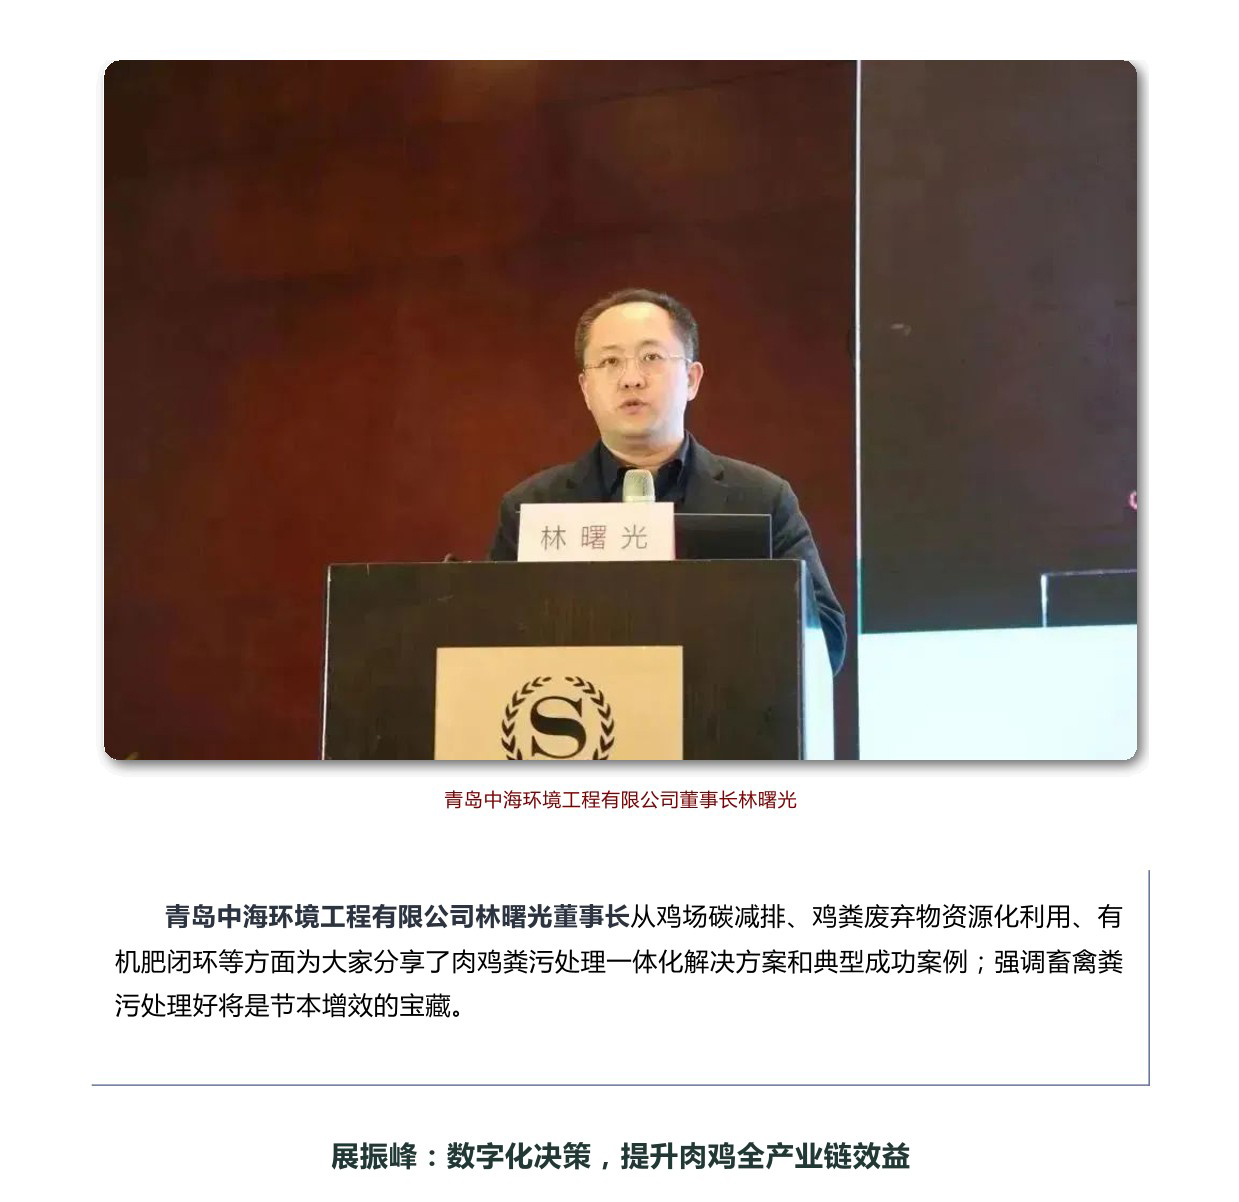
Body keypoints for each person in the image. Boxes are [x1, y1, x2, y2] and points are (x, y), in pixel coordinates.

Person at [488, 288, 846, 673]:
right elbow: (486, 642)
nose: (631, 379)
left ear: (691, 379)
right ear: (586, 389)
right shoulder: (532, 507)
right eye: (610, 361)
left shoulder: (762, 499)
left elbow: (825, 642)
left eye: (651, 357)